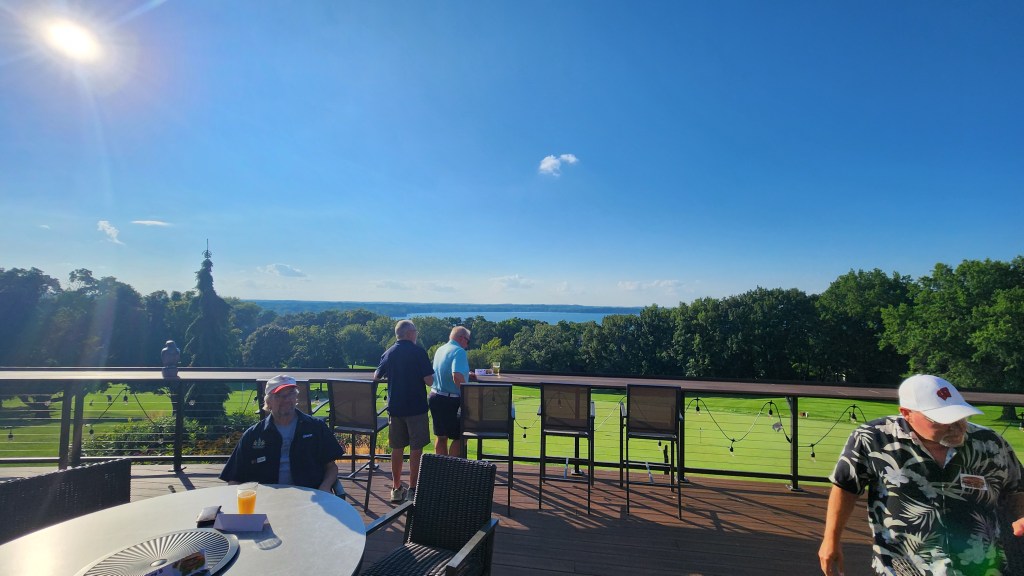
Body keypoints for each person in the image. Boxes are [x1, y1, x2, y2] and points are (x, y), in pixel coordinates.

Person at [819, 374, 1024, 576]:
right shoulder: (872, 438)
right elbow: (846, 487)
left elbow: (1017, 489)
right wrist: (831, 539)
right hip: (903, 567)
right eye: (941, 420)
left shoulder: (990, 443)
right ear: (907, 413)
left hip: (982, 567)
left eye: (960, 416)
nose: (956, 426)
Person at [221, 374, 344, 492]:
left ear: (296, 398)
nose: (286, 399)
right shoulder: (253, 435)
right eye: (279, 395)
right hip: (267, 499)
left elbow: (331, 467)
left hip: (310, 497)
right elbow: (234, 478)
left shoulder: (316, 427)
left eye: (290, 394)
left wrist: (325, 487)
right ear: (268, 402)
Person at [374, 320, 434, 503]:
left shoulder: (389, 353)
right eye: (415, 331)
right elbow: (429, 381)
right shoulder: (419, 352)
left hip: (395, 408)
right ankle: (413, 489)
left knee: (397, 447)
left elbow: (376, 376)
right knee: (416, 448)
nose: (416, 334)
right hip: (416, 408)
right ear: (409, 334)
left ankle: (396, 488)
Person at [430, 325, 474, 458]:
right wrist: (467, 396)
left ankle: (442, 468)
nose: (467, 345)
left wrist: (466, 374)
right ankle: (452, 467)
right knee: (462, 436)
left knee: (441, 436)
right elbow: (456, 376)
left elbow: (445, 371)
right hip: (451, 400)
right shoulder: (459, 351)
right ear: (461, 338)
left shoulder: (440, 349)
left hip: (435, 396)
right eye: (468, 341)